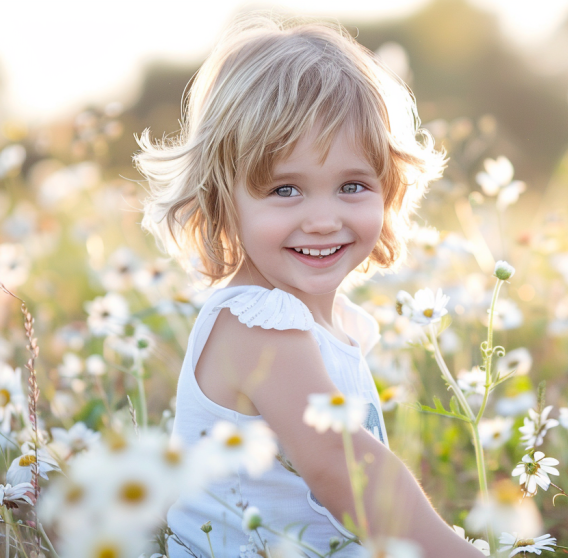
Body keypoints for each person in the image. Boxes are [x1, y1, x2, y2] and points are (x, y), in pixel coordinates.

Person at [134, 14, 486, 558]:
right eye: (285, 190)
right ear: (224, 201)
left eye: (352, 185)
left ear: (389, 192)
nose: (322, 219)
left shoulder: (334, 322)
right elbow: (342, 471)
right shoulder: (257, 324)